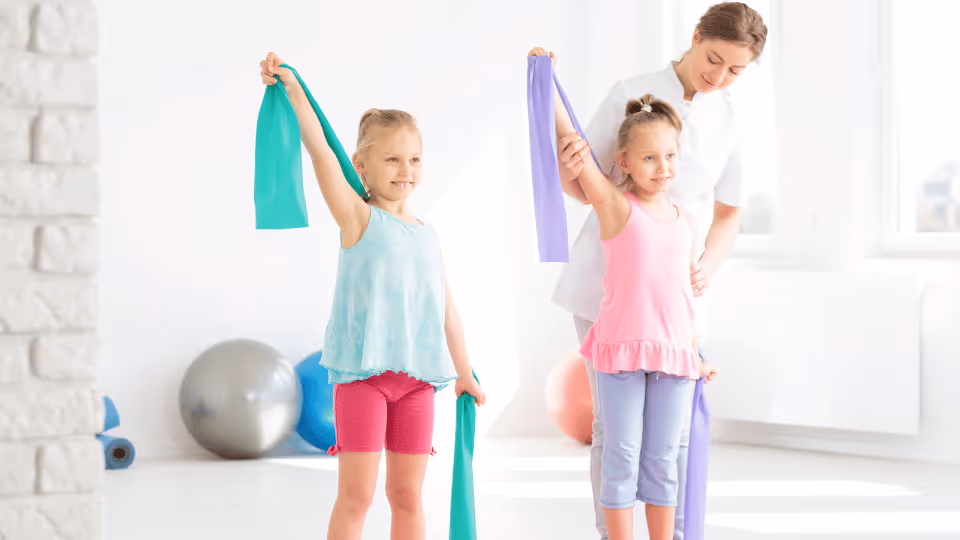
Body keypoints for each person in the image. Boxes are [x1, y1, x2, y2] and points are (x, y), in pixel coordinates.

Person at [545, 3, 769, 538]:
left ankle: (676, 532)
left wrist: (706, 267)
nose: (718, 77)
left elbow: (730, 211)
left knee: (677, 433)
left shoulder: (731, 118)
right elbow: (586, 183)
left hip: (678, 293)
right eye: (713, 59)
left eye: (735, 70)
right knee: (613, 430)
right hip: (608, 281)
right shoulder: (635, 88)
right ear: (694, 37)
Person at [259, 52, 486, 540]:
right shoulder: (357, 219)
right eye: (392, 159)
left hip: (419, 384)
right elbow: (321, 152)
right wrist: (295, 91)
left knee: (407, 498)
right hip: (363, 380)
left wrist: (464, 374)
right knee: (356, 498)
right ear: (361, 165)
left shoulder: (428, 235)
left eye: (414, 159)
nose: (405, 170)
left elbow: (448, 313)